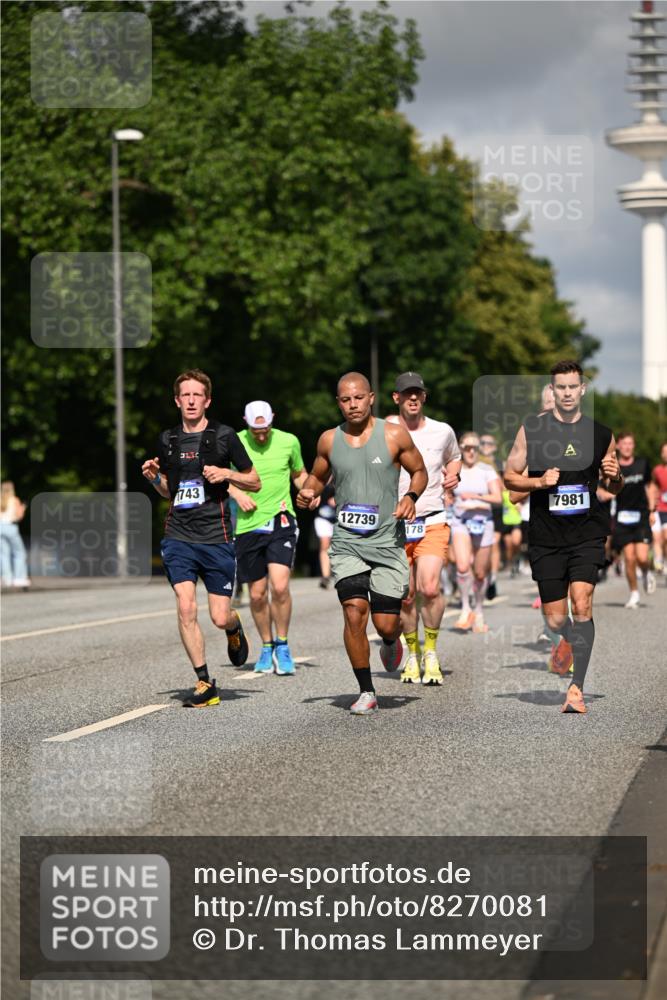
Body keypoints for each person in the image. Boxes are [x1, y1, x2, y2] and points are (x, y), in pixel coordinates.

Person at [296, 372, 427, 715]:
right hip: (347, 543)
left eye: (358, 398)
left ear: (371, 398)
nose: (352, 405)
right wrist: (309, 491)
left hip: (387, 542)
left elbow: (420, 471)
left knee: (385, 624)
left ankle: (389, 640)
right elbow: (317, 475)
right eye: (345, 400)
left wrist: (412, 496)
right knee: (354, 612)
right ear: (338, 402)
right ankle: (366, 689)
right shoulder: (328, 439)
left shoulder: (394, 434)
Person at [504, 360, 624, 714]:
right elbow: (510, 478)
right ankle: (569, 641)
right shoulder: (533, 429)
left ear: (582, 389)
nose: (567, 393)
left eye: (573, 387)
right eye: (561, 387)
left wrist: (615, 476)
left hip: (587, 532)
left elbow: (613, 486)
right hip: (546, 535)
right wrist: (538, 482)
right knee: (556, 619)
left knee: (582, 603)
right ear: (553, 390)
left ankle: (576, 688)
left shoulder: (601, 434)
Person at [142, 370, 260, 707]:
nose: (191, 401)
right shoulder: (168, 440)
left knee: (219, 616)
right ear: (177, 400)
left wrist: (227, 474)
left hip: (216, 536)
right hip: (179, 535)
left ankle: (234, 628)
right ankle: (204, 681)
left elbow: (254, 481)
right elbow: (170, 491)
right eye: (185, 396)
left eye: (197, 395)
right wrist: (154, 479)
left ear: (207, 400)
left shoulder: (224, 437)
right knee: (185, 606)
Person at [385, 371, 461, 685]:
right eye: (407, 393)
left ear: (424, 397)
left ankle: (430, 652)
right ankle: (412, 656)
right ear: (397, 398)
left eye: (418, 393)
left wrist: (454, 475)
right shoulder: (385, 432)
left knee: (430, 588)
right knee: (405, 596)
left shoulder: (442, 431)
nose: (413, 398)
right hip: (396, 524)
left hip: (432, 519)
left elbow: (454, 458)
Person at [227, 401, 308, 675]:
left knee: (281, 586)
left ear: (273, 419)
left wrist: (310, 490)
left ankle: (283, 644)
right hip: (248, 526)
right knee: (258, 594)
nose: (261, 435)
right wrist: (236, 493)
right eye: (255, 431)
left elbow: (299, 474)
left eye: (265, 429)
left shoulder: (289, 441)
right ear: (245, 423)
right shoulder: (233, 441)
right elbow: (217, 476)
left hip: (281, 520)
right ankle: (266, 644)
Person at [450, 433, 502, 632]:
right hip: (460, 522)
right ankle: (465, 608)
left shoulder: (486, 470)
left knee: (480, 573)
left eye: (474, 448)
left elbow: (498, 498)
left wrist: (476, 496)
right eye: (467, 447)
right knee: (463, 566)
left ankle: (478, 610)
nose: (471, 452)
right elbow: (445, 490)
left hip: (483, 522)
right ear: (461, 449)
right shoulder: (454, 470)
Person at [605, 431, 655, 607]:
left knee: (642, 557)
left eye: (630, 443)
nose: (627, 447)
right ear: (618, 446)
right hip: (622, 517)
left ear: (633, 446)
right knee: (629, 558)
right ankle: (634, 593)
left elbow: (649, 486)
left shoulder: (642, 464)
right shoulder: (613, 466)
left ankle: (647, 572)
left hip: (641, 515)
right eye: (624, 443)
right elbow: (607, 488)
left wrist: (652, 510)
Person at [479, 433, 503, 600]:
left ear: (494, 447)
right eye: (483, 443)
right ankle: (482, 575)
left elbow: (503, 487)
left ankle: (492, 578)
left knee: (493, 544)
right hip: (477, 507)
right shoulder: (474, 462)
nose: (486, 445)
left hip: (495, 508)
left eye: (489, 443)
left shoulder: (500, 463)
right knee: (480, 546)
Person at [0, 481, 30, 589]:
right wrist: (23, 508)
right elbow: (19, 516)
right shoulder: (14, 500)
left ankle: (6, 579)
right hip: (10, 527)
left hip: (0, 527)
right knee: (19, 553)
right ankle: (19, 578)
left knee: (4, 554)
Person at [314, 480, 336, 588]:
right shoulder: (321, 476)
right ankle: (325, 576)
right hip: (323, 518)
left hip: (340, 518)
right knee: (325, 545)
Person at [651, 441, 667, 575]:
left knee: (666, 536)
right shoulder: (657, 470)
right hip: (659, 508)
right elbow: (653, 487)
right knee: (657, 537)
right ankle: (658, 560)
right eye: (664, 452)